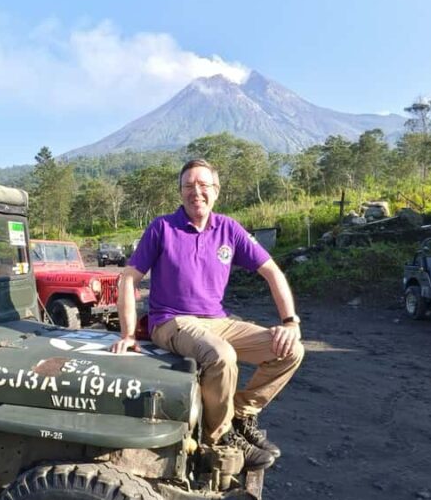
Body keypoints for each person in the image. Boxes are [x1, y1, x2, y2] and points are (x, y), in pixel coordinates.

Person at [111, 158, 304, 470]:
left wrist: (289, 322)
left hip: (217, 320)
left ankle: (240, 415)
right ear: (180, 192)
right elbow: (129, 277)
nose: (195, 191)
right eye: (188, 186)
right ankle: (218, 439)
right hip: (171, 321)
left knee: (291, 349)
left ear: (216, 191)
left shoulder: (229, 229)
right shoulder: (162, 228)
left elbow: (272, 272)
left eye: (203, 185)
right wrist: (128, 334)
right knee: (222, 356)